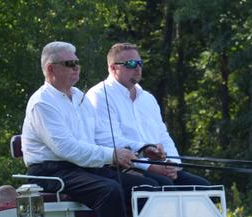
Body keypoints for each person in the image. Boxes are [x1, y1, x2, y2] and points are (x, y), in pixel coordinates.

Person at [21, 41, 148, 217]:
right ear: (50, 69)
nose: (76, 68)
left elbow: (92, 139)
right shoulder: (42, 103)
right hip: (50, 171)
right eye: (70, 64)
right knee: (109, 191)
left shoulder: (79, 97)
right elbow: (66, 148)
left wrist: (126, 154)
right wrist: (110, 156)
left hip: (79, 167)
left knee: (143, 186)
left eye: (77, 62)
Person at [85, 42, 210, 187]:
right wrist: (151, 166)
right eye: (131, 64)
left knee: (203, 187)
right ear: (113, 68)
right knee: (164, 186)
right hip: (124, 168)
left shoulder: (148, 99)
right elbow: (108, 140)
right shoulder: (99, 95)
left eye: (140, 63)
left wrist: (173, 165)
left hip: (159, 168)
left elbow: (163, 137)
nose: (137, 68)